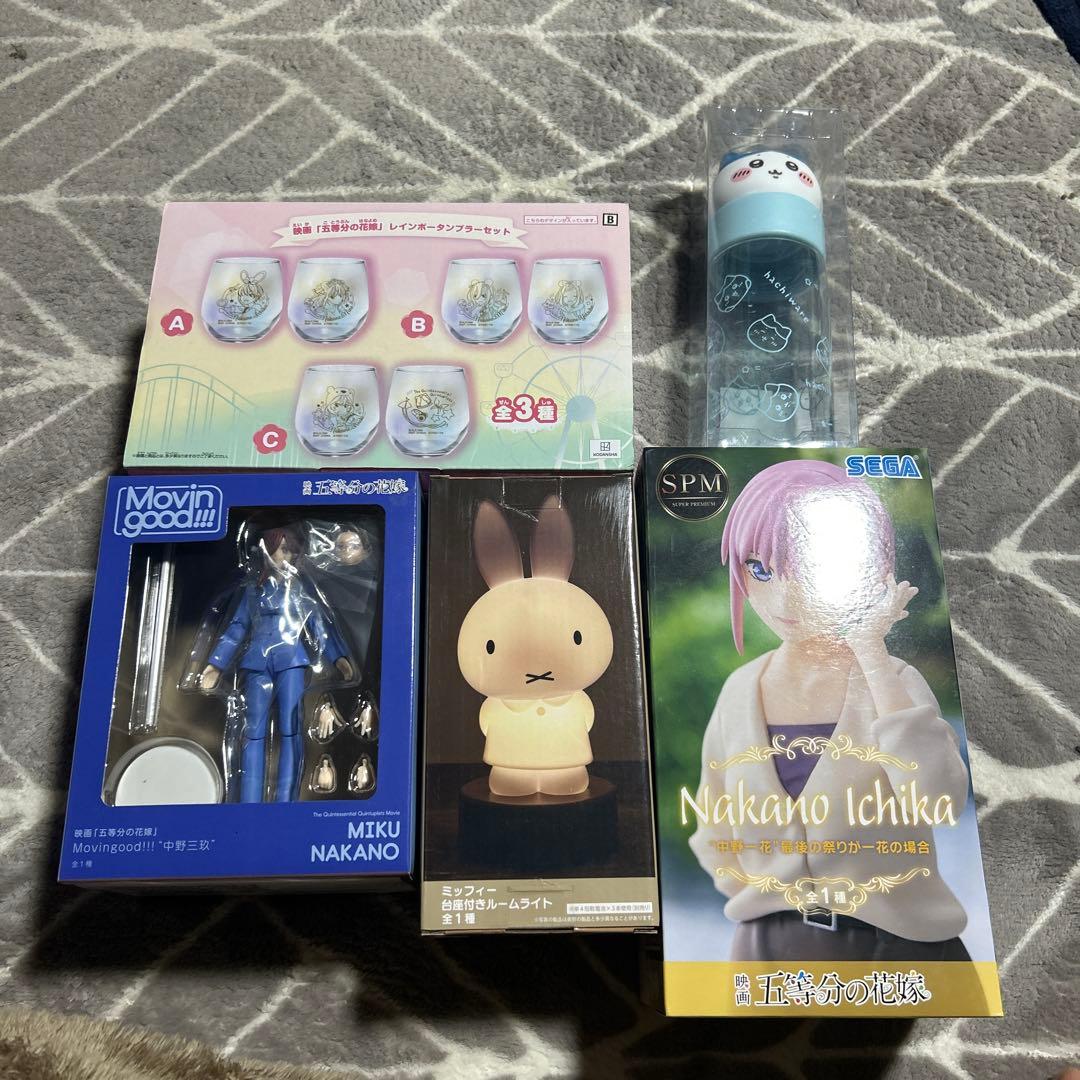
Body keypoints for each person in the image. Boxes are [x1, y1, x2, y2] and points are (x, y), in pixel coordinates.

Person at [690, 459, 972, 961]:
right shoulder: (739, 691)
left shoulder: (895, 681)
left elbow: (940, 803)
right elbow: (714, 823)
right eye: (760, 569)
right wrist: (759, 904)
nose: (783, 598)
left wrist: (871, 652)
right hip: (768, 947)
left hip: (900, 947)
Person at [201, 525, 353, 803]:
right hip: (256, 663)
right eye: (283, 550)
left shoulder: (301, 588)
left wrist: (338, 658)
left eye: (292, 551)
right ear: (267, 550)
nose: (287, 556)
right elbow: (237, 628)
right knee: (253, 732)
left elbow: (319, 626)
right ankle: (249, 800)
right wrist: (216, 664)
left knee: (290, 729)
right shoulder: (252, 590)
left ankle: (285, 800)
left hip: (292, 662)